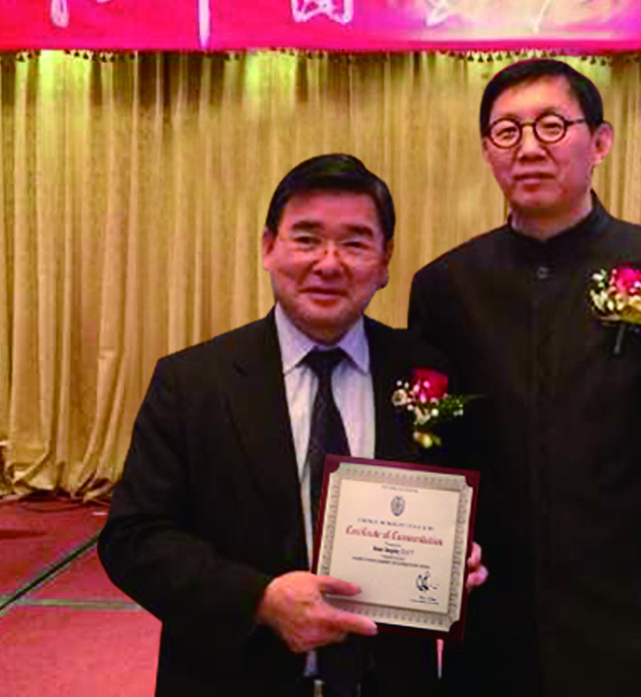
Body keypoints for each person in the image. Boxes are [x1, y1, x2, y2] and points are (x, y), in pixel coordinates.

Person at [408, 60, 641, 697]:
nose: (529, 148)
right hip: (499, 625)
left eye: (552, 126)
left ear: (599, 142)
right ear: (487, 151)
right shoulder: (447, 287)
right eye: (506, 131)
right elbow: (434, 448)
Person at [101, 154, 478, 697]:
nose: (328, 263)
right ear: (267, 247)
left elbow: (461, 506)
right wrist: (259, 599)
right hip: (234, 680)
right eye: (306, 239)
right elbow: (133, 539)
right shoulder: (192, 382)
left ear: (385, 260)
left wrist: (461, 554)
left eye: (354, 243)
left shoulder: (428, 374)